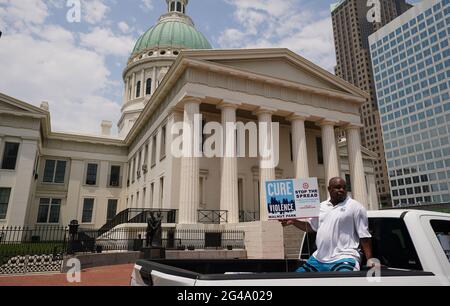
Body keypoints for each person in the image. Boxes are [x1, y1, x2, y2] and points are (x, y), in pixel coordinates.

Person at [282, 177, 376, 272]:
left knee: (346, 281)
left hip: (345, 257)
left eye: (344, 187)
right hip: (318, 259)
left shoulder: (356, 207)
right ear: (329, 189)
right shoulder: (321, 206)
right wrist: (294, 221)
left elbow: (364, 236)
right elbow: (311, 227)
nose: (342, 190)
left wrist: (370, 259)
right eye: (338, 187)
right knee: (296, 280)